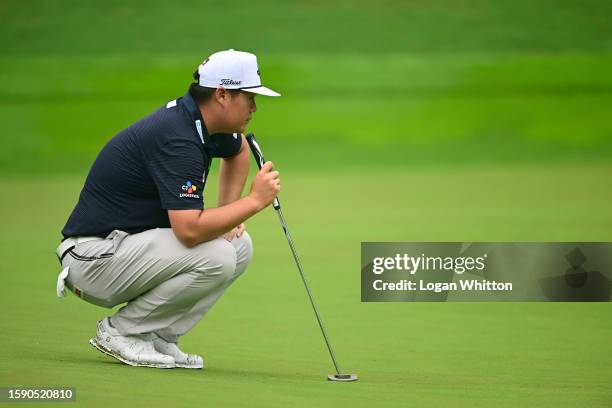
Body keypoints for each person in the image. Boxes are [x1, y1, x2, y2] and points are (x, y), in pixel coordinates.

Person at [54, 49, 281, 369]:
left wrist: (227, 213)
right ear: (222, 95)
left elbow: (239, 150)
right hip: (92, 259)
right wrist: (253, 201)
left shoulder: (199, 122)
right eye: (249, 97)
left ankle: (159, 335)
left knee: (237, 245)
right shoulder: (178, 138)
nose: (255, 107)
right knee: (217, 255)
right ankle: (120, 332)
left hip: (125, 249)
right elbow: (188, 232)